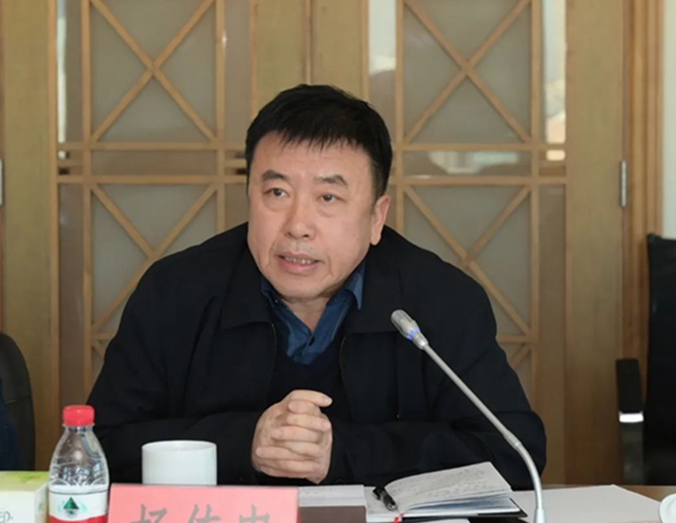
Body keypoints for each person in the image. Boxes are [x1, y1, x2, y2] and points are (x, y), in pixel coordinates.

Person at [88, 84, 546, 488]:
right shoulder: (175, 292)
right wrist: (245, 443)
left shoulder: (441, 300)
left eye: (328, 197)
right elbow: (98, 450)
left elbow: (515, 455)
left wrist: (338, 452)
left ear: (376, 217)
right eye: (277, 193)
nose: (298, 225)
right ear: (249, 196)